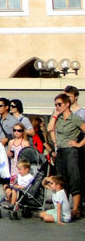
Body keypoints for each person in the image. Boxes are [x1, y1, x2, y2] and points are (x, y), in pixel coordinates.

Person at [47, 92, 85, 220]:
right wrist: (55, 115)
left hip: (71, 151)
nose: (57, 107)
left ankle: (76, 209)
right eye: (55, 104)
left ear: (67, 104)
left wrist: (79, 144)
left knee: (74, 179)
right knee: (61, 180)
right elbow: (49, 129)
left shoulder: (75, 118)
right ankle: (65, 207)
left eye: (59, 104)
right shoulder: (58, 118)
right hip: (61, 151)